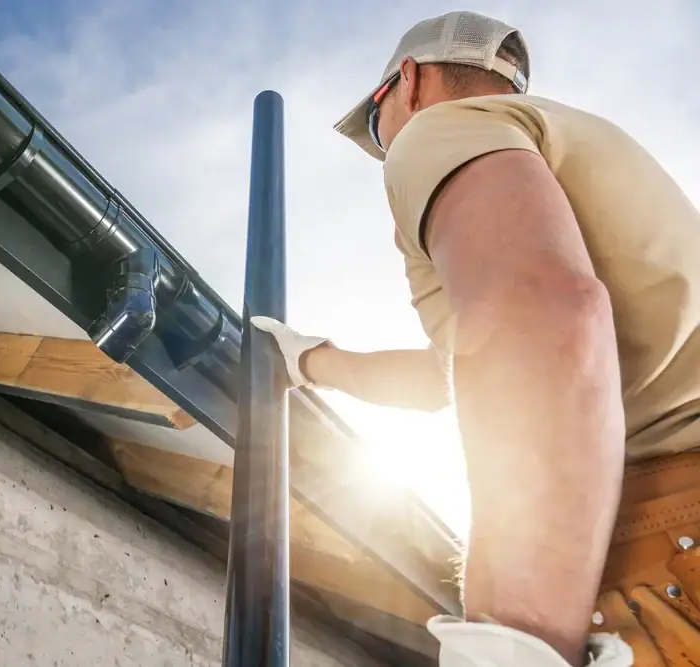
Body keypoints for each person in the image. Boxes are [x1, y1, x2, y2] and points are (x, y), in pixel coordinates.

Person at [253, 9, 700, 667]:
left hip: (669, 543)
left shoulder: (438, 130)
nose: (384, 146)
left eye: (378, 124)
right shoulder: (562, 145)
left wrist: (514, 642)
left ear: (408, 81)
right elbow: (468, 366)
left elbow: (546, 319)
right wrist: (312, 361)